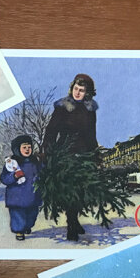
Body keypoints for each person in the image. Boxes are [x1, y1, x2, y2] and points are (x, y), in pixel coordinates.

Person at [41, 73, 99, 241]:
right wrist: (47, 150)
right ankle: (71, 225)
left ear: (88, 92)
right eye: (75, 88)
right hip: (65, 153)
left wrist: (95, 154)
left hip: (84, 154)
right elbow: (51, 130)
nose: (77, 93)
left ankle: (74, 219)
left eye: (81, 90)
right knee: (70, 191)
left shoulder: (90, 110)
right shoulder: (63, 107)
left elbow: (91, 133)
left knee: (82, 191)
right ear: (71, 88)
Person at [0, 135, 42, 241]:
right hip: (17, 197)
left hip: (32, 195)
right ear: (17, 149)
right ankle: (19, 230)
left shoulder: (34, 161)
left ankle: (27, 226)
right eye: (24, 147)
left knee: (32, 216)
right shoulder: (12, 163)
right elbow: (4, 178)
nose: (27, 149)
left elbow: (41, 172)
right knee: (18, 216)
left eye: (29, 147)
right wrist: (14, 176)